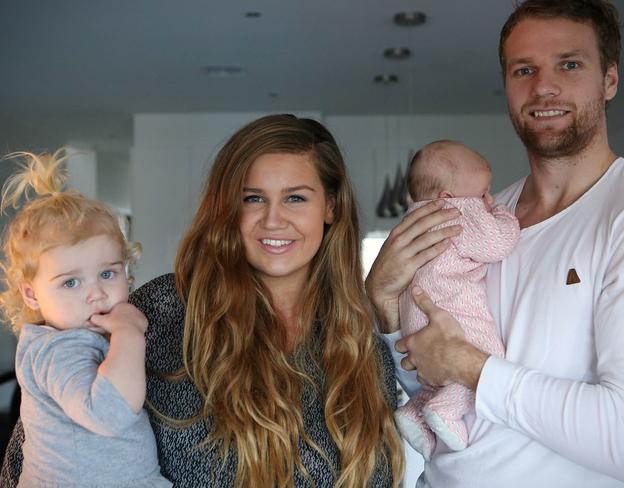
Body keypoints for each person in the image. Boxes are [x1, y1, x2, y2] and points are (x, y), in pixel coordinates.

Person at [1, 114, 405, 487]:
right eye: (253, 198)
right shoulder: (159, 310)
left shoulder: (361, 348)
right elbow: (36, 451)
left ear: (330, 207)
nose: (273, 220)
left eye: (296, 198)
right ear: (228, 208)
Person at [366, 1, 624, 487]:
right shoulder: (479, 218)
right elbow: (434, 383)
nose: (544, 87)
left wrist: (473, 367)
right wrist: (386, 305)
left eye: (570, 64)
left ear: (610, 80)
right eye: (524, 69)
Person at [0, 150, 170, 486]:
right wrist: (130, 334)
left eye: (108, 274)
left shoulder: (80, 336)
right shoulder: (58, 350)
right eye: (71, 282)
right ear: (31, 294)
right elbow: (110, 413)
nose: (95, 293)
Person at [395, 140, 519, 458]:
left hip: (415, 313)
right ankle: (446, 410)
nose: (489, 200)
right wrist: (505, 215)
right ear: (448, 198)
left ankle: (414, 412)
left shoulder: (414, 216)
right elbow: (497, 244)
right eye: (483, 194)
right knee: (486, 360)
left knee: (435, 371)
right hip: (450, 310)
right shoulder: (457, 212)